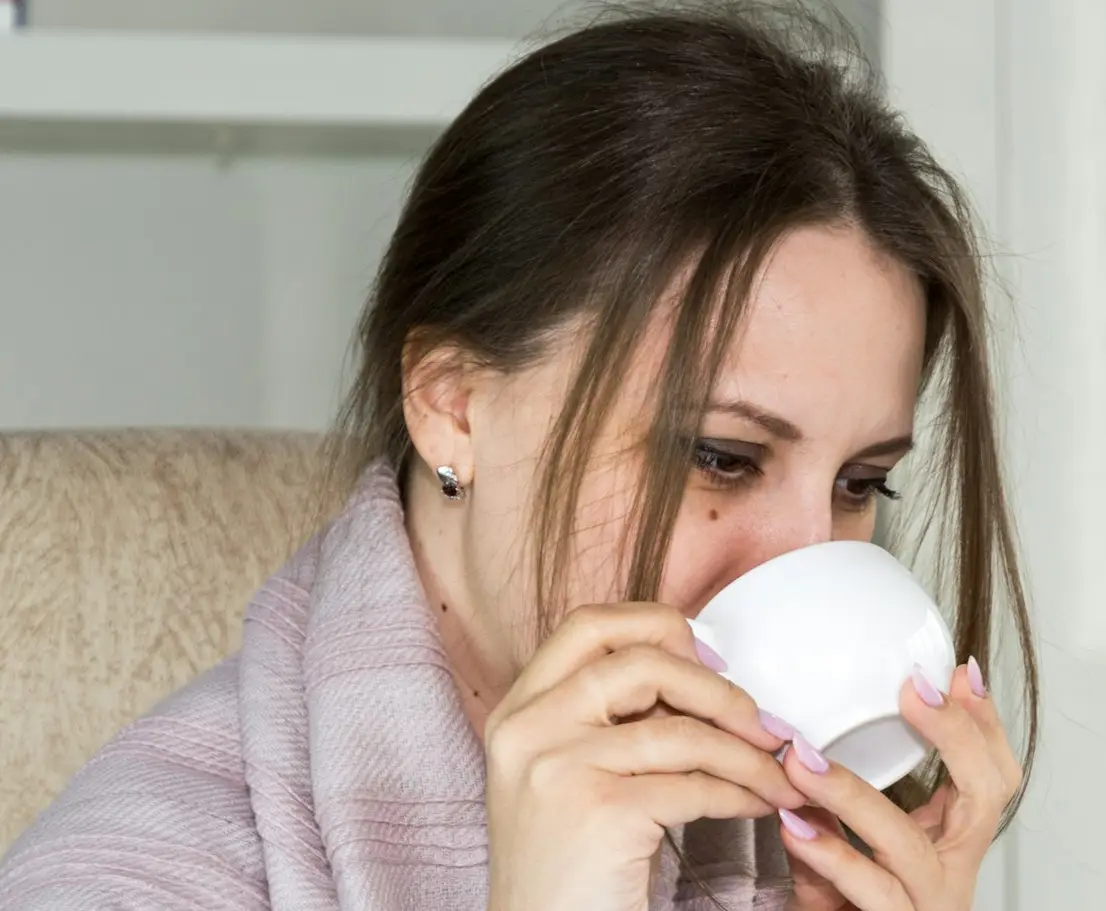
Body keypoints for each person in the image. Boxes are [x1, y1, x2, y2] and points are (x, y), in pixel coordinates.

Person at [0, 4, 1038, 909]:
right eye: (720, 456)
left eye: (861, 482)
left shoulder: (790, 847)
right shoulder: (143, 870)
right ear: (452, 405)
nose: (804, 553)